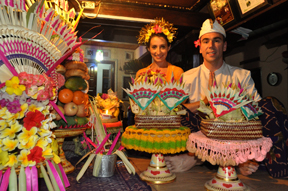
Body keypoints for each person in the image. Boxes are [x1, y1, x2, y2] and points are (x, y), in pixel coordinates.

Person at [165, 19, 261, 175]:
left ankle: (233, 159)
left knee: (266, 108)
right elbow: (172, 111)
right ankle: (203, 158)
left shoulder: (241, 76)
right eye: (206, 41)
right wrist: (202, 103)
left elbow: (257, 111)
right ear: (200, 47)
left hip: (231, 136)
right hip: (197, 138)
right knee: (175, 115)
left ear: (223, 46)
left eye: (216, 41)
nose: (211, 46)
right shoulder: (187, 77)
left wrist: (231, 108)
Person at [127, 18, 184, 127]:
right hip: (146, 127)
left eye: (162, 47)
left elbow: (182, 105)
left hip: (170, 127)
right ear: (148, 48)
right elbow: (137, 105)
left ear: (169, 47)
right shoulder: (141, 74)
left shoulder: (177, 72)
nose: (158, 52)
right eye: (154, 47)